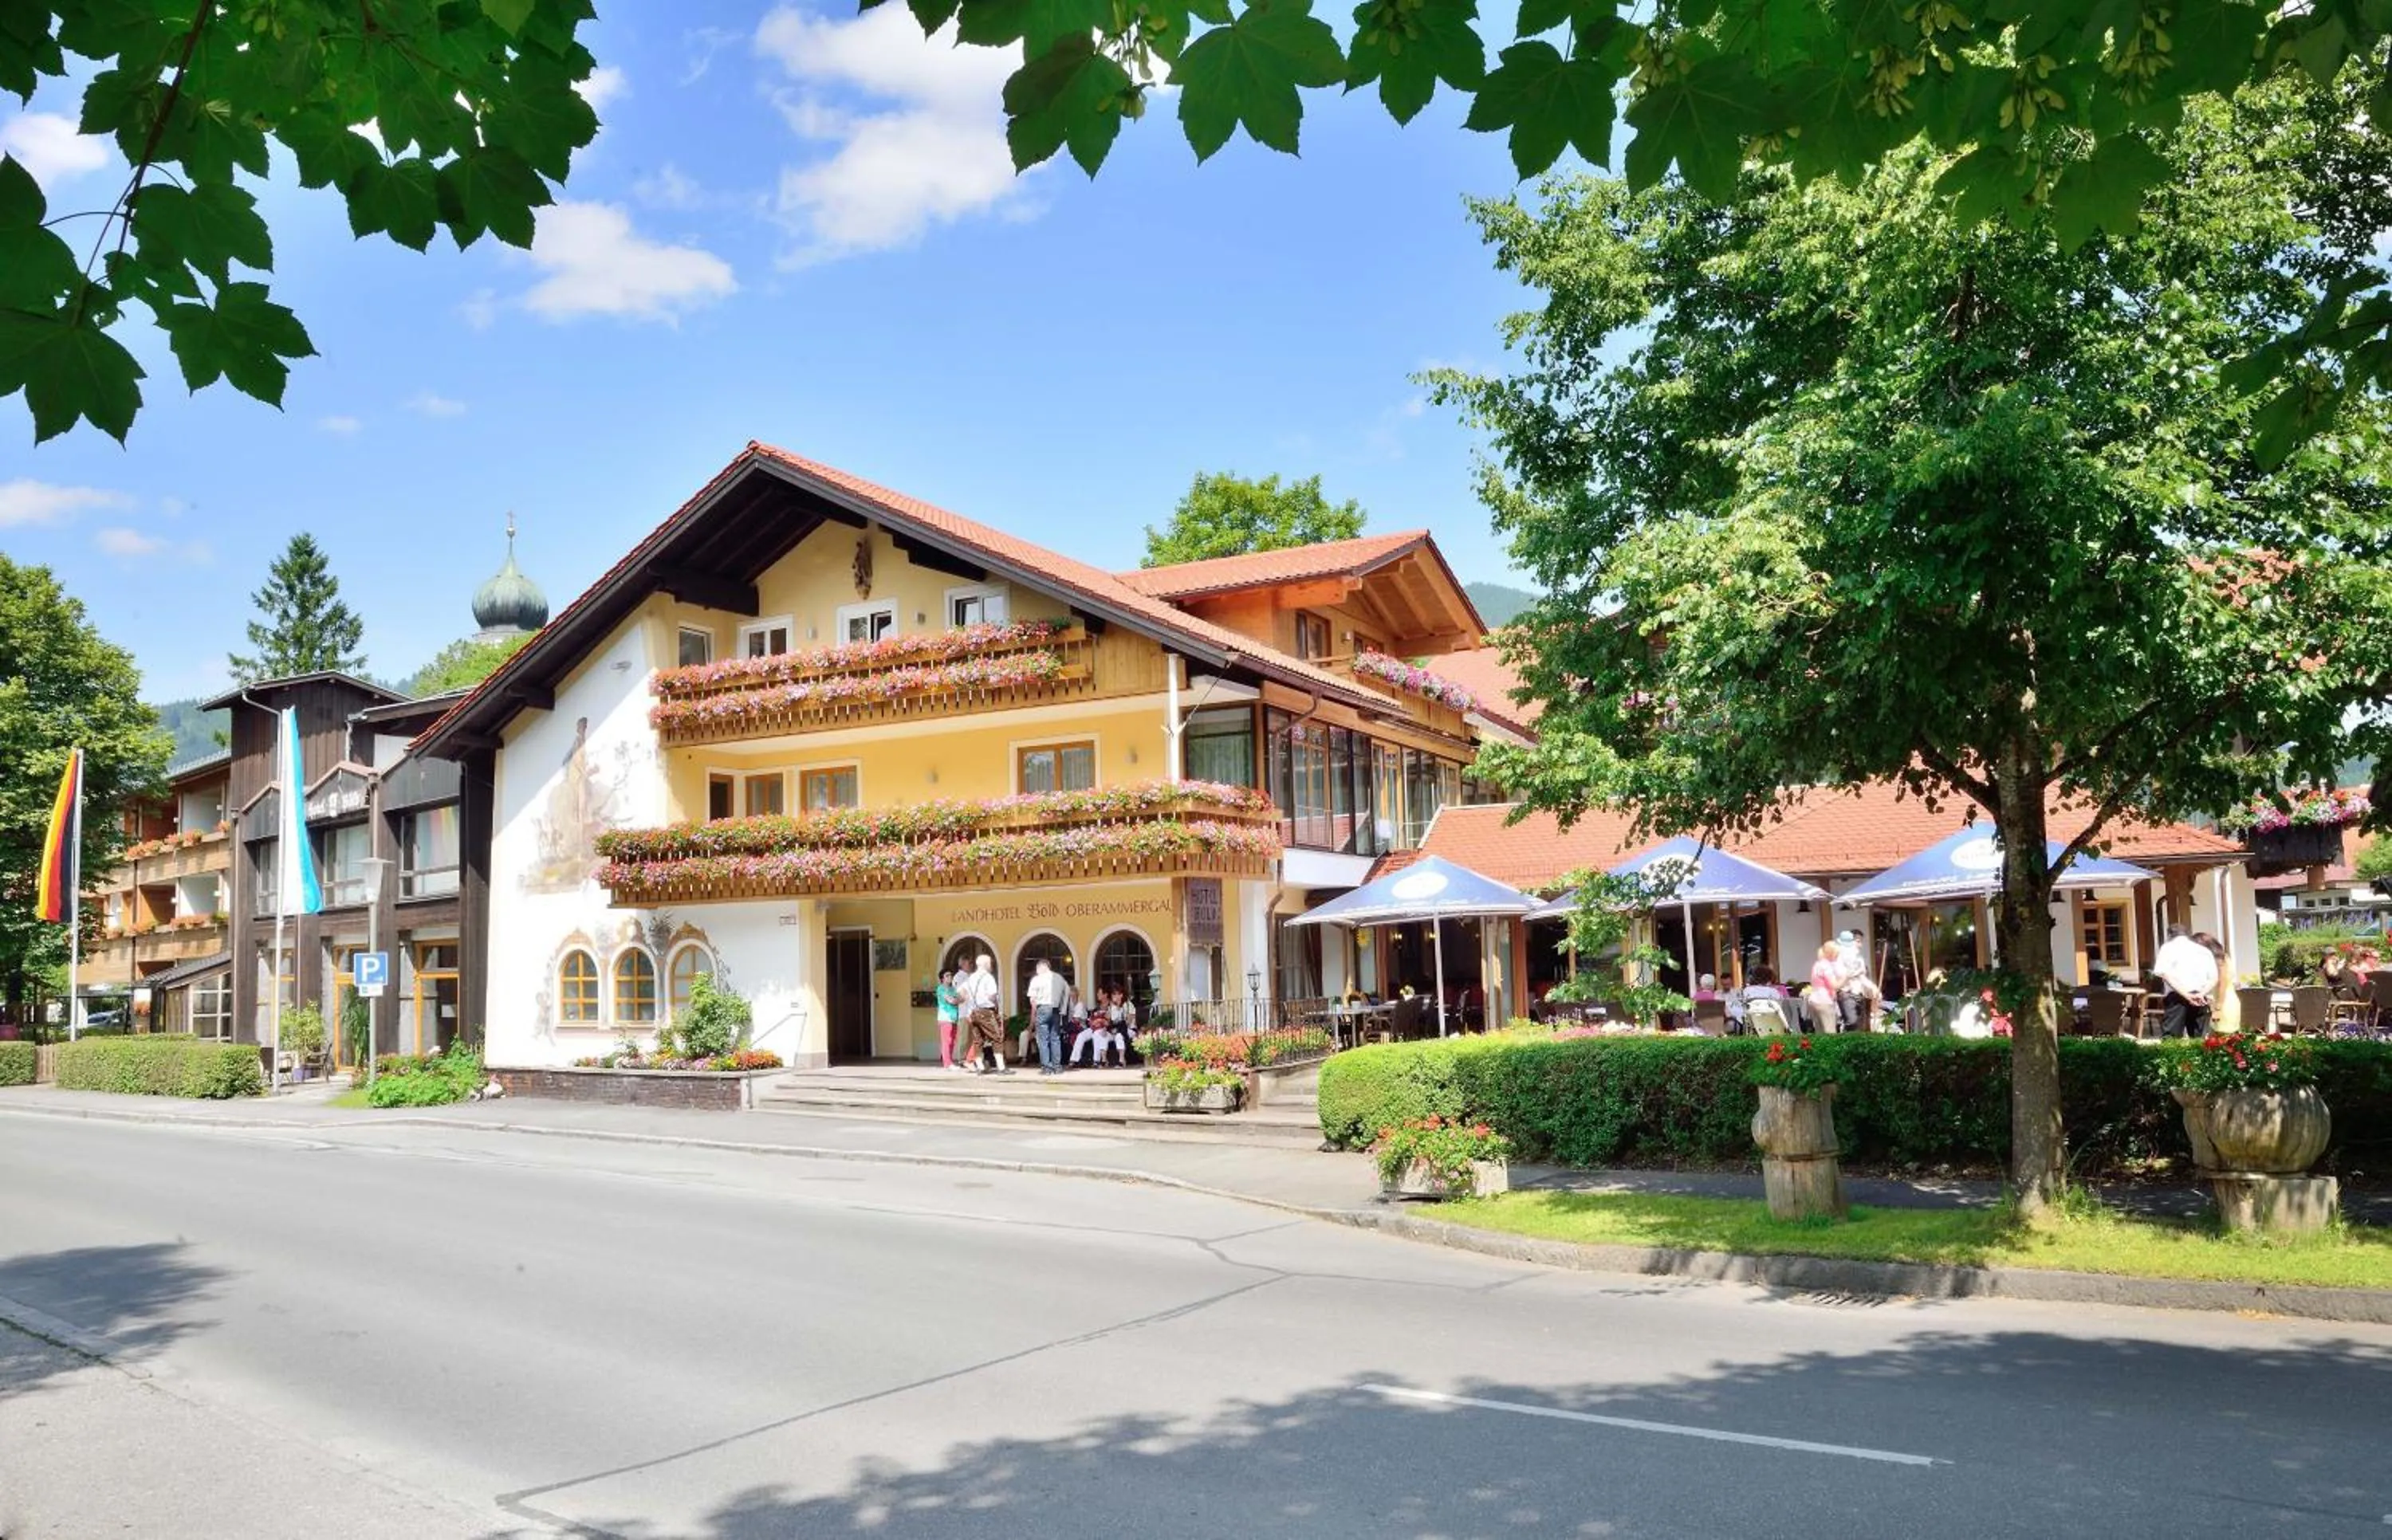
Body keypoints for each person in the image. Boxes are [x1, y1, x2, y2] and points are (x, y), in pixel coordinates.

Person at [2153, 925, 2219, 1039]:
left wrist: (2186, 995)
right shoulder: (2203, 950)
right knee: (2199, 1037)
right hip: (2200, 997)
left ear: (2170, 935)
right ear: (2188, 935)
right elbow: (2214, 978)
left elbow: (2164, 974)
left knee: (2172, 1038)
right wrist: (2201, 994)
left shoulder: (2168, 948)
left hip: (2177, 996)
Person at [961, 953, 1006, 1074]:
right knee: (997, 1037)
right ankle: (1001, 1067)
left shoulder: (971, 978)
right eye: (990, 963)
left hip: (973, 1012)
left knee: (978, 1040)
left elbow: (962, 993)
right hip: (986, 1011)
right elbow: (992, 996)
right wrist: (997, 1006)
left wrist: (968, 1011)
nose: (991, 965)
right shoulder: (988, 977)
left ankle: (980, 1067)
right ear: (986, 964)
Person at [1027, 958, 1067, 1076]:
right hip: (1056, 1009)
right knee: (1055, 1038)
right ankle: (1057, 1067)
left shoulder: (1037, 979)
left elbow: (1033, 1000)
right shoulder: (1058, 978)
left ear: (1042, 967)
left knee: (1043, 1039)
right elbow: (1067, 992)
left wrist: (1034, 1016)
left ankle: (1047, 1068)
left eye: (1037, 969)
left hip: (1043, 1008)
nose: (1036, 971)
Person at [1804, 941, 1843, 1034]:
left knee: (1820, 1032)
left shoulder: (1817, 964)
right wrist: (1845, 978)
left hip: (1814, 1000)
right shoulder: (1826, 966)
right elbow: (1834, 985)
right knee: (1830, 1032)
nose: (1838, 956)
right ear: (1831, 954)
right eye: (1837, 954)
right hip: (1824, 1001)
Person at [934, 967, 963, 1071]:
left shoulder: (953, 989)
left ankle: (949, 1061)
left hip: (954, 1018)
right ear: (942, 979)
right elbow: (952, 1001)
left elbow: (961, 999)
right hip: (945, 1018)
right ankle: (947, 1063)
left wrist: (957, 999)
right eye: (947, 976)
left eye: (951, 975)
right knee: (946, 1041)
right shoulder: (941, 989)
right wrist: (956, 999)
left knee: (952, 1041)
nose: (950, 977)